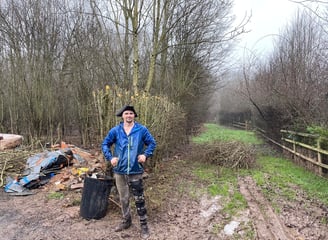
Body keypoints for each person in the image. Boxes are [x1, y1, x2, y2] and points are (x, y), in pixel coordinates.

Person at [102, 105, 156, 239]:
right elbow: (105, 144)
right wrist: (110, 157)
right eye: (126, 113)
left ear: (134, 116)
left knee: (139, 198)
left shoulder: (141, 130)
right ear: (122, 116)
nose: (129, 116)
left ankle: (144, 225)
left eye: (131, 113)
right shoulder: (116, 130)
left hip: (135, 169)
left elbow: (152, 143)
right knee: (123, 198)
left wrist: (145, 155)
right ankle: (126, 221)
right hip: (119, 171)